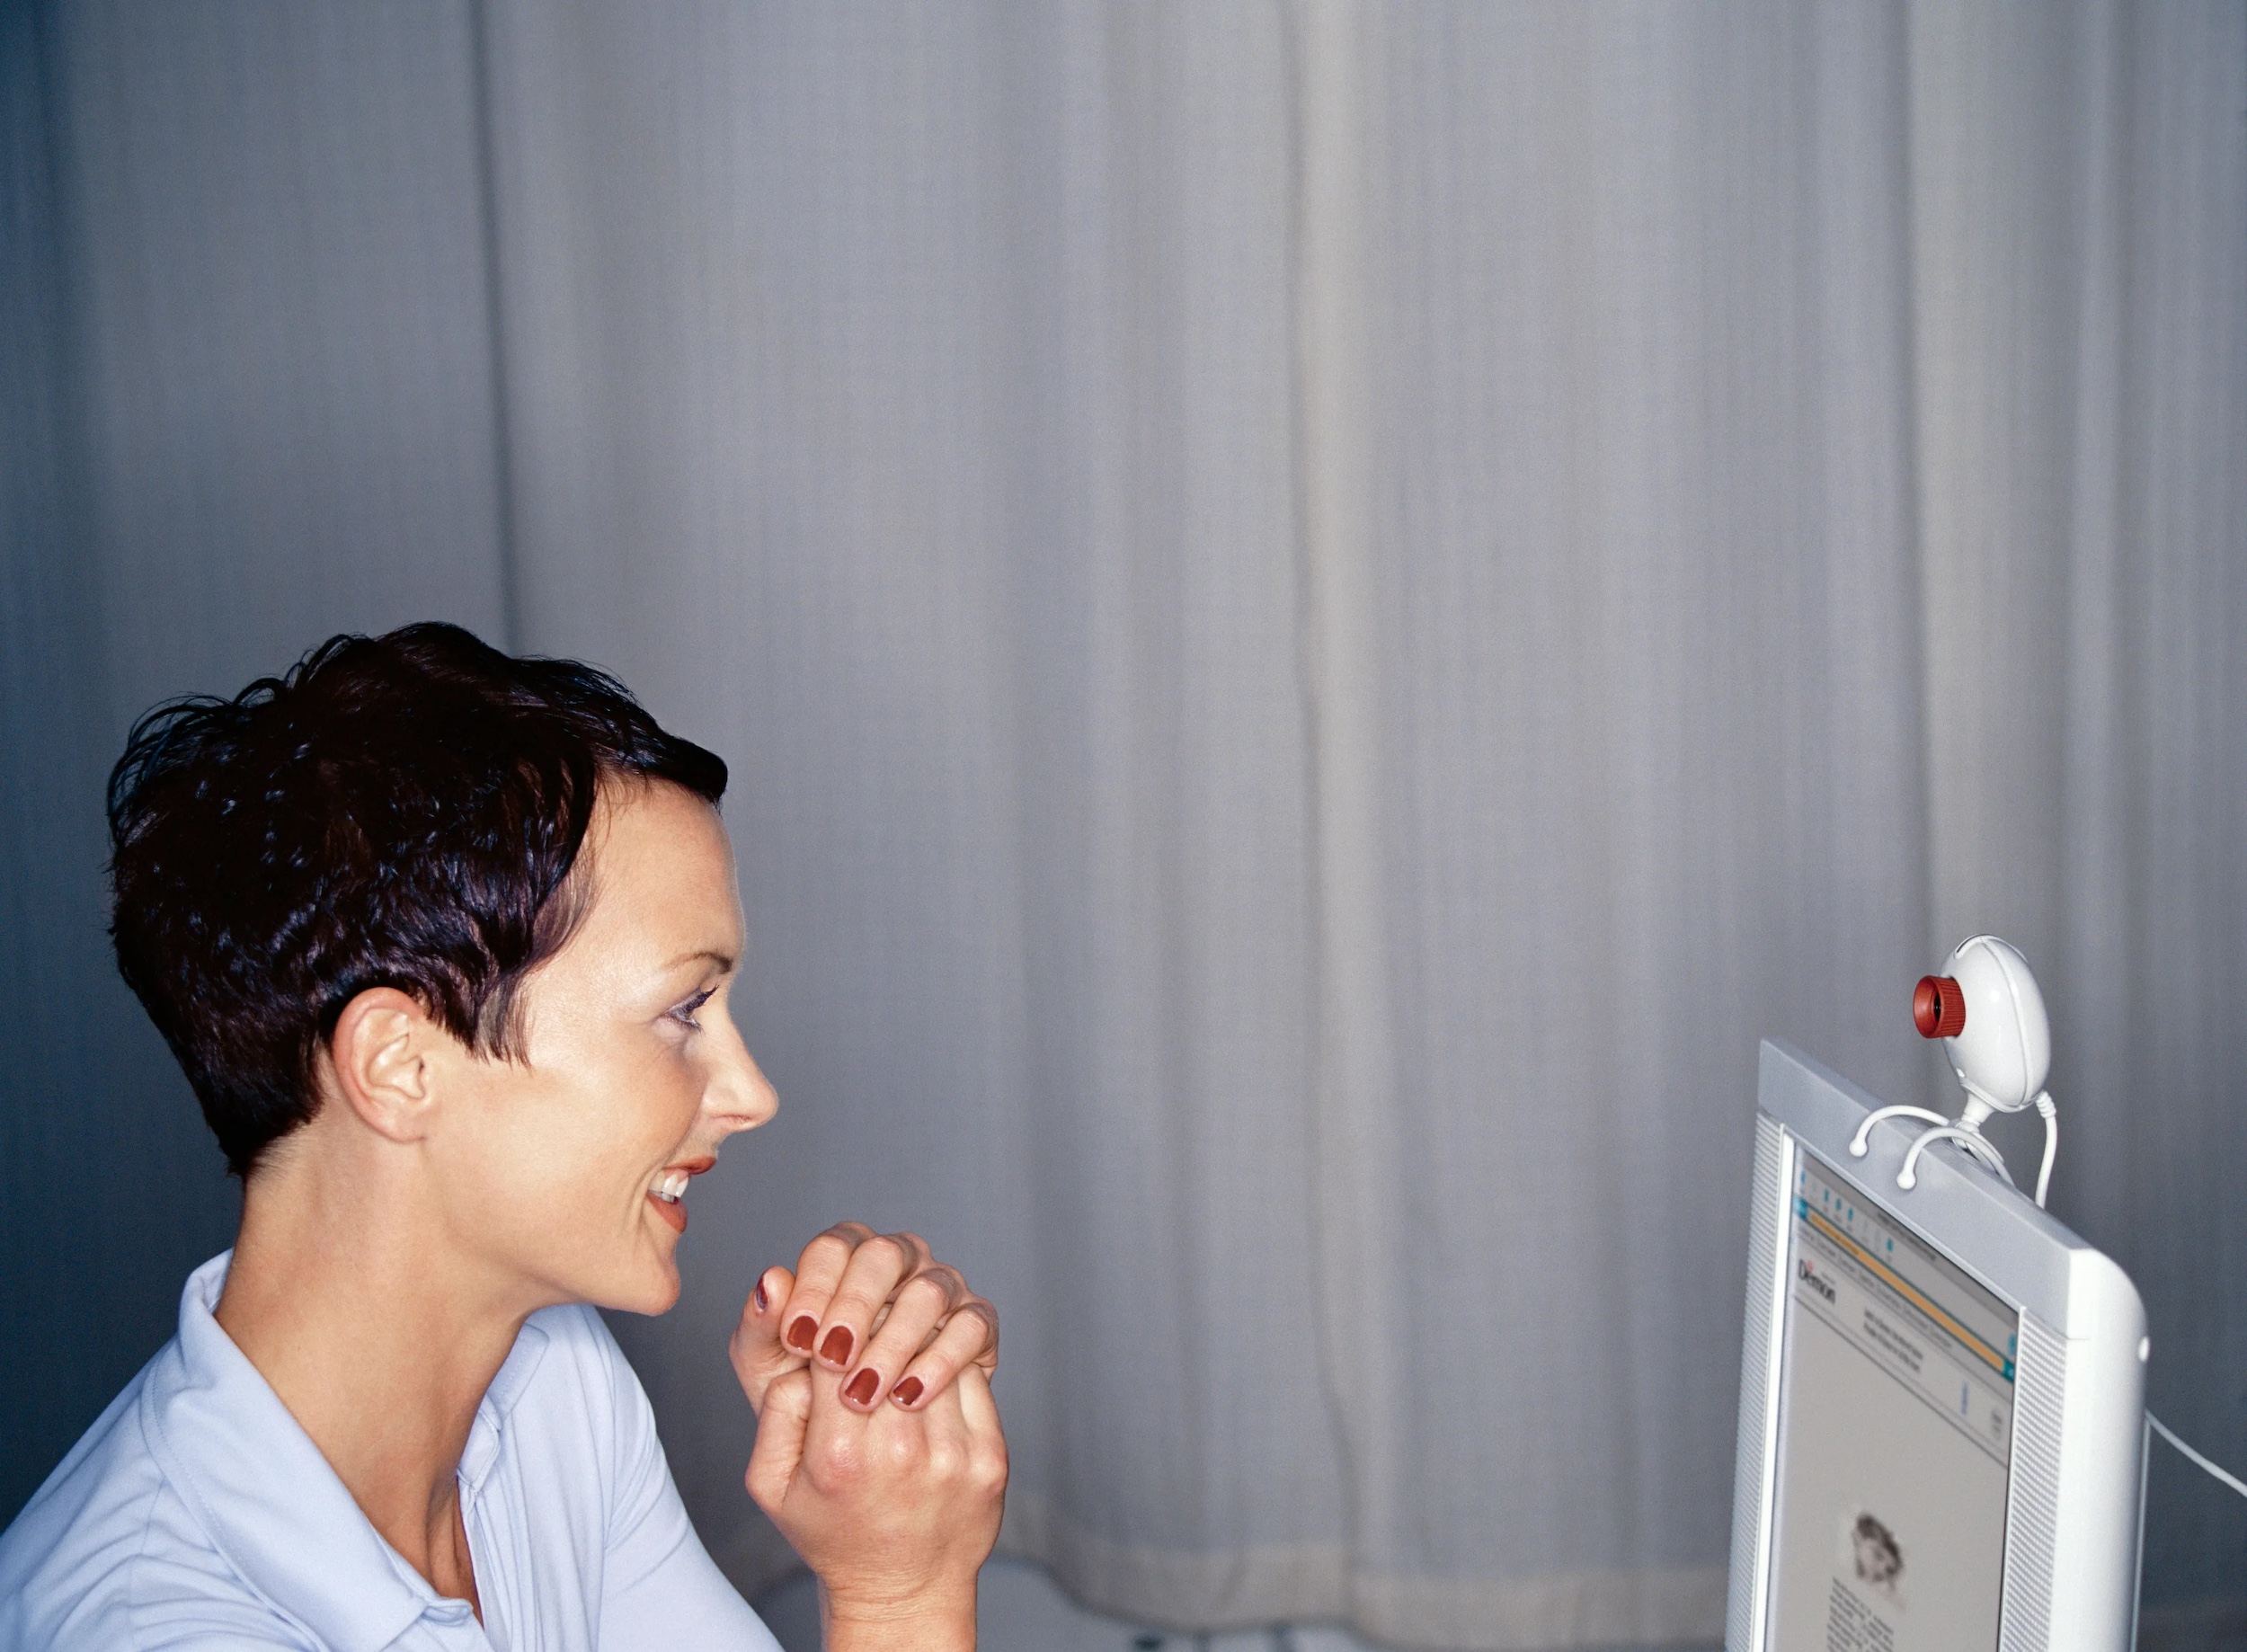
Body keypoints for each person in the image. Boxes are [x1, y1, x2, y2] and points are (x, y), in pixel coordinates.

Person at [0, 624, 1007, 1650]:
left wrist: (886, 1538)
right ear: (401, 1063)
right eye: (683, 1009)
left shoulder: (553, 1388)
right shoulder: (156, 1627)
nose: (751, 1093)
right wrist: (900, 1600)